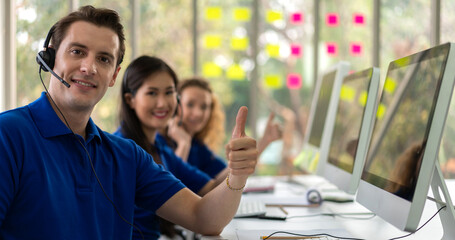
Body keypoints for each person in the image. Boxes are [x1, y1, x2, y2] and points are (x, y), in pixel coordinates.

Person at [0, 5, 258, 240]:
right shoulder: (8, 134)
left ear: (113, 76)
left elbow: (205, 219)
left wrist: (237, 176)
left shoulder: (126, 155)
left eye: (104, 59)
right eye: (77, 52)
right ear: (50, 58)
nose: (89, 67)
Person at [115, 56, 220, 239]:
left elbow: (211, 190)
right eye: (152, 93)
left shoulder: (161, 148)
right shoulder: (121, 150)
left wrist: (239, 170)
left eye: (169, 92)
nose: (163, 103)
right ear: (130, 99)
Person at [163, 77, 282, 184]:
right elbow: (168, 191)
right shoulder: (159, 143)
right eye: (190, 104)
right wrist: (183, 145)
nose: (198, 113)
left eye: (204, 107)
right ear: (176, 105)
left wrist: (265, 141)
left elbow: (220, 180)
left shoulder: (198, 147)